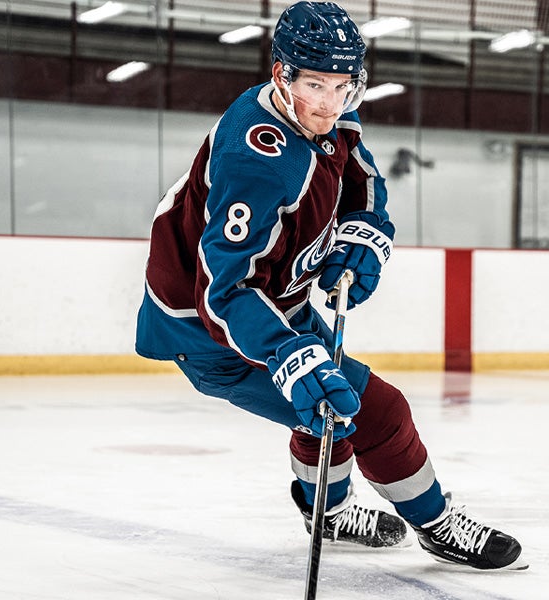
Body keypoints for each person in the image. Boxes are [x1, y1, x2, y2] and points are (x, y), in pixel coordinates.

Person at [135, 0, 527, 571]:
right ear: (281, 74)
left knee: (327, 408)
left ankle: (329, 514)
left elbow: (361, 178)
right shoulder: (256, 161)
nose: (329, 101)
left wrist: (366, 231)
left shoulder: (330, 114)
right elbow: (224, 291)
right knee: (373, 411)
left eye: (343, 86)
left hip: (278, 305)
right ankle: (436, 524)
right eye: (314, 84)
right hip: (212, 331)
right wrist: (288, 355)